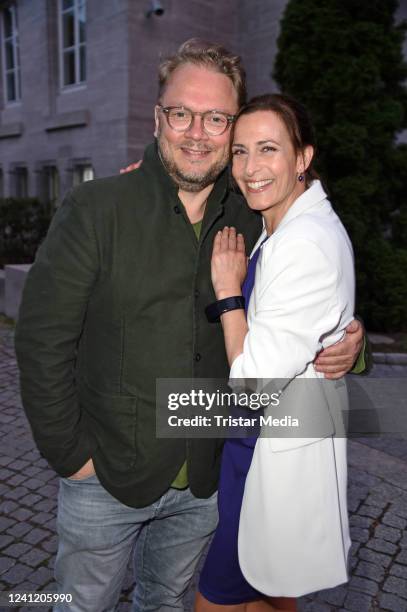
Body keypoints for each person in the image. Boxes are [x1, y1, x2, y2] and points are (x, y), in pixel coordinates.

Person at [15, 40, 364, 612]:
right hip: (105, 476)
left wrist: (352, 345)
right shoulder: (98, 208)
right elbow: (41, 341)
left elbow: (303, 303)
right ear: (158, 118)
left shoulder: (253, 210)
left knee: (166, 601)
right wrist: (72, 456)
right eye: (182, 113)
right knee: (79, 602)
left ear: (234, 127)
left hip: (205, 482)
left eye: (217, 118)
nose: (197, 133)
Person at [196, 94, 356, 612]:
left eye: (268, 149)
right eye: (240, 152)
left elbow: (253, 386)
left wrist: (228, 294)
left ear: (303, 157)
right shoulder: (280, 223)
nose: (250, 168)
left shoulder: (304, 240)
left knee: (216, 600)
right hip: (254, 446)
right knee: (269, 588)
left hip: (267, 447)